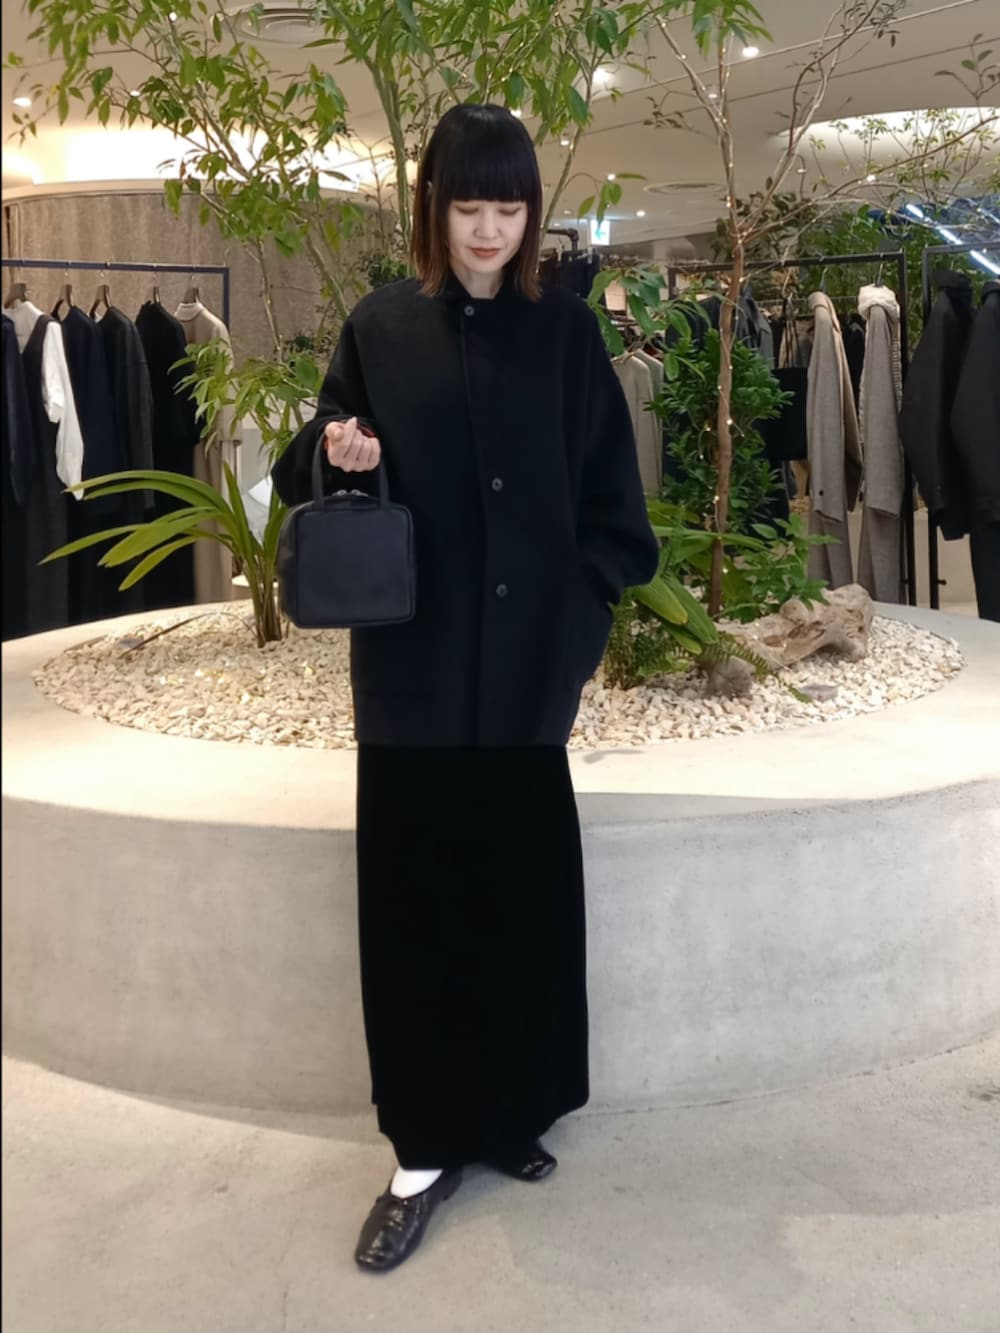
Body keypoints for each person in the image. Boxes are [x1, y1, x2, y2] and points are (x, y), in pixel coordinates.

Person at [271, 103, 659, 1274]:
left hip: (530, 674)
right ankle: (420, 1149)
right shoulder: (381, 328)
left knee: (520, 908)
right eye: (467, 207)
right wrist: (335, 448)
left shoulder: (567, 336)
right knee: (416, 917)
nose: (488, 230)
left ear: (531, 214)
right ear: (432, 209)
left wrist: (579, 617)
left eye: (508, 207)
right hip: (415, 676)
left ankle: (507, 1112)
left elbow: (614, 509)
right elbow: (307, 464)